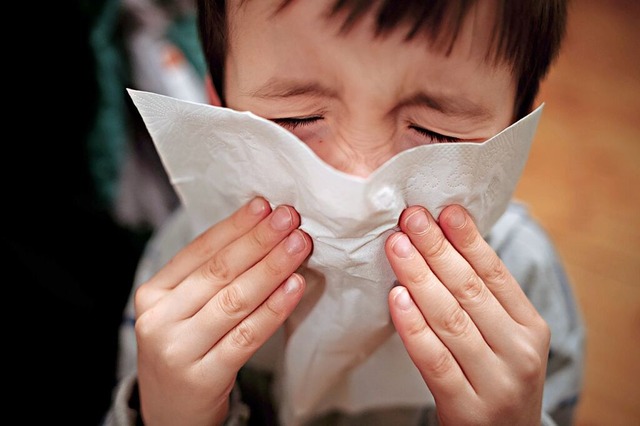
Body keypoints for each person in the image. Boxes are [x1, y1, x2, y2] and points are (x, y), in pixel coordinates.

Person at [104, 0, 585, 425]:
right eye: (297, 119)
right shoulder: (179, 271)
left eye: (436, 132)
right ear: (219, 107)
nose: (360, 184)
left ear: (514, 131)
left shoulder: (525, 278)